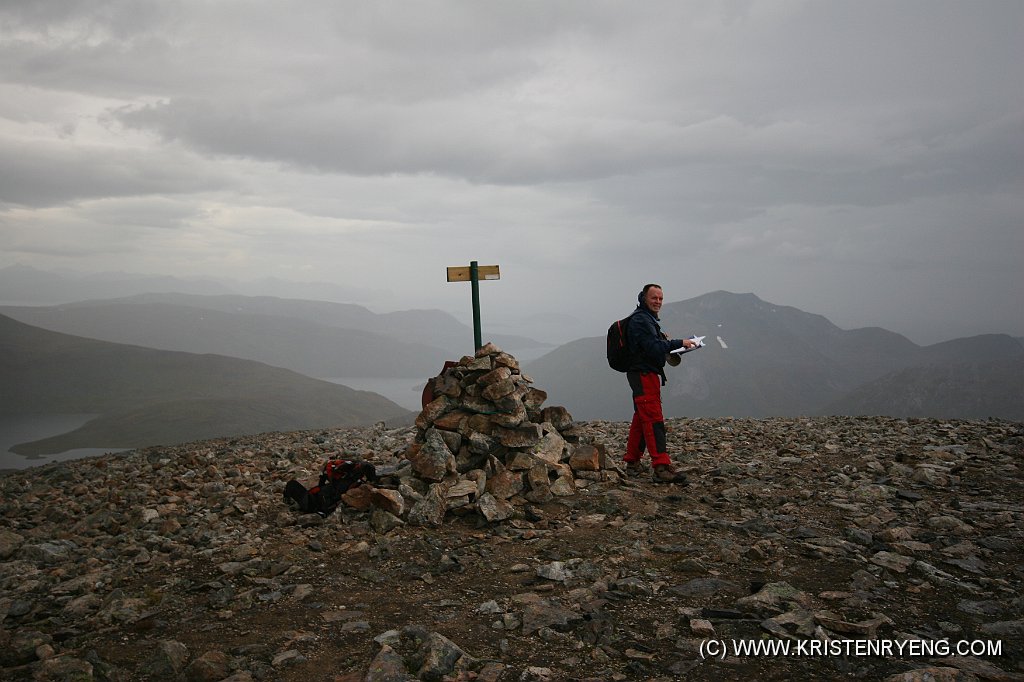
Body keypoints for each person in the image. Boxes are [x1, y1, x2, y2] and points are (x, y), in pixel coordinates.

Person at [623, 283, 697, 483]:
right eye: (654, 298)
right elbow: (652, 347)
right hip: (644, 374)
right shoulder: (641, 320)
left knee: (642, 416)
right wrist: (679, 343)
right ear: (644, 298)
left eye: (660, 299)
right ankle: (661, 467)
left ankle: (632, 463)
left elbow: (650, 345)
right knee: (653, 418)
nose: (658, 302)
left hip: (644, 374)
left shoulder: (645, 319)